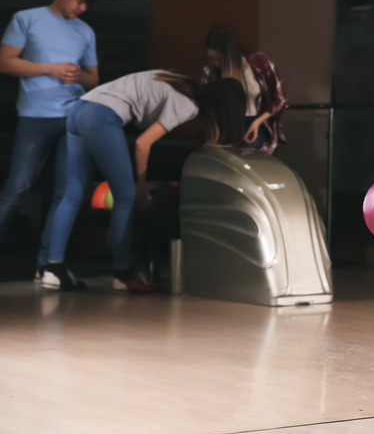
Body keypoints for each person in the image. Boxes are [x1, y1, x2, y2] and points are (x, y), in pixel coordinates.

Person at [40, 71, 245, 291]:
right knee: (126, 195)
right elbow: (143, 143)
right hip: (101, 116)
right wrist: (141, 185)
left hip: (79, 108)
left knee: (72, 194)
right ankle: (123, 274)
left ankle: (52, 269)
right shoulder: (188, 105)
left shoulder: (180, 80)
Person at [0, 0, 98, 284]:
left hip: (74, 117)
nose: (82, 8)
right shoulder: (26, 19)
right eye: (79, 1)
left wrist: (77, 76)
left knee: (67, 193)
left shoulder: (85, 31)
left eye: (87, 4)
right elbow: (5, 62)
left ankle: (48, 265)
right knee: (17, 188)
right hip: (34, 116)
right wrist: (51, 69)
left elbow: (94, 79)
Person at [203, 26, 286, 154]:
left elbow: (279, 97)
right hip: (225, 127)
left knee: (252, 160)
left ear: (230, 54)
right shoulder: (210, 72)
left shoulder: (259, 64)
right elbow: (206, 109)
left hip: (255, 120)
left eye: (219, 59)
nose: (215, 64)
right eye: (211, 59)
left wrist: (258, 121)